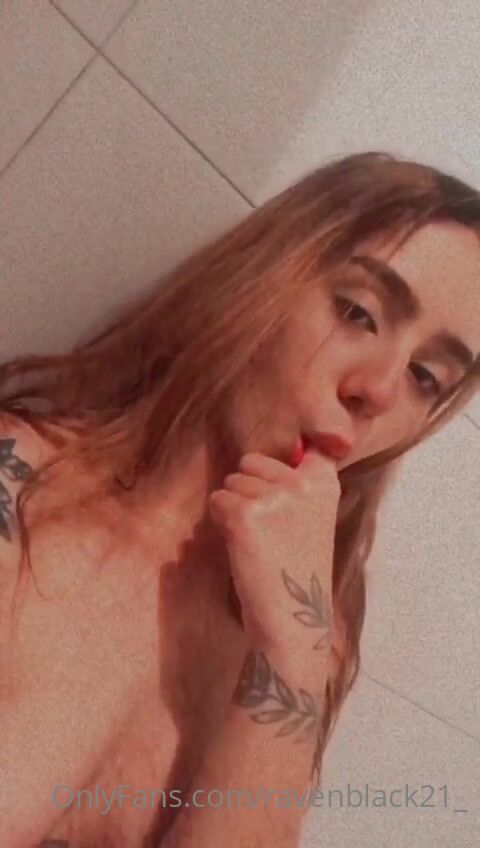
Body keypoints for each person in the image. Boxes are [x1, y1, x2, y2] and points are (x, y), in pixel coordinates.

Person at [0, 151, 478, 848]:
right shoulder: (21, 484)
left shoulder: (311, 635)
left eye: (426, 377)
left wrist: (293, 655)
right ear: (263, 280)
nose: (378, 389)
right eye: (358, 312)